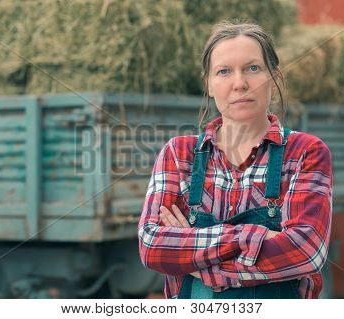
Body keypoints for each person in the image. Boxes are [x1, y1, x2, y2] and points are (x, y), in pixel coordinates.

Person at [138, 21, 332, 299]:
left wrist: (196, 262)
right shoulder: (179, 155)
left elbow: (305, 252)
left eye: (253, 68)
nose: (240, 84)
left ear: (274, 76)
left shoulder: (305, 152)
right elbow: (152, 247)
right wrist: (254, 238)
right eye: (224, 71)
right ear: (209, 84)